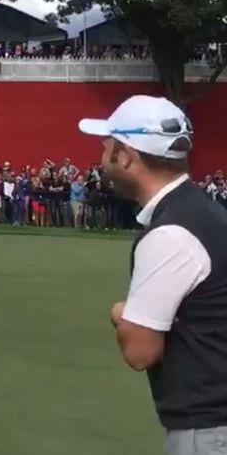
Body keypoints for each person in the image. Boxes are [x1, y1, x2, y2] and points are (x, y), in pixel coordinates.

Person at [79, 95, 227, 454]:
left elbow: (140, 349)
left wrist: (121, 312)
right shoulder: (205, 213)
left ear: (126, 156)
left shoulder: (170, 232)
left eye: (108, 147)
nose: (102, 157)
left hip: (207, 430)